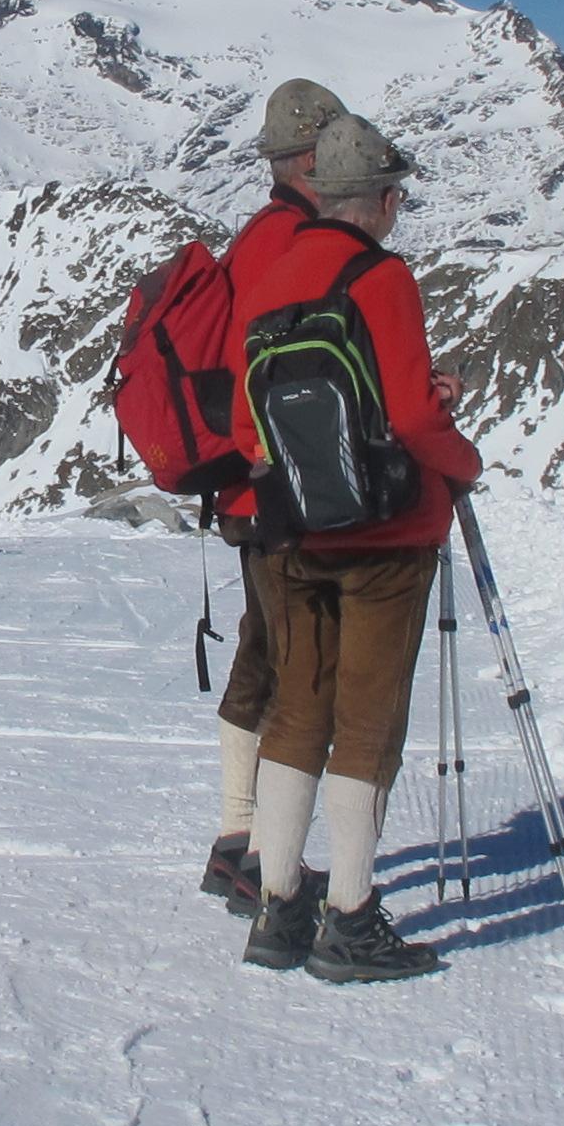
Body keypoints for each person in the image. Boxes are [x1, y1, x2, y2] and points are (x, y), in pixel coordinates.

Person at [231, 112, 478, 985]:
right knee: (368, 726)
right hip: (387, 537)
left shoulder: (273, 272)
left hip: (294, 534)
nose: (399, 206)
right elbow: (409, 416)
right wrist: (462, 461)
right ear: (376, 198)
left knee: (298, 712)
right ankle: (351, 919)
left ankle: (277, 905)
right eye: (395, 193)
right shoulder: (382, 276)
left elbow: (247, 423)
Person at [200, 77, 348, 918]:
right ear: (313, 158)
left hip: (245, 485)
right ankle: (262, 861)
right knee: (297, 669)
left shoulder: (261, 232)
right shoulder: (292, 242)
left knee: (262, 655)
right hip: (276, 488)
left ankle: (239, 840)